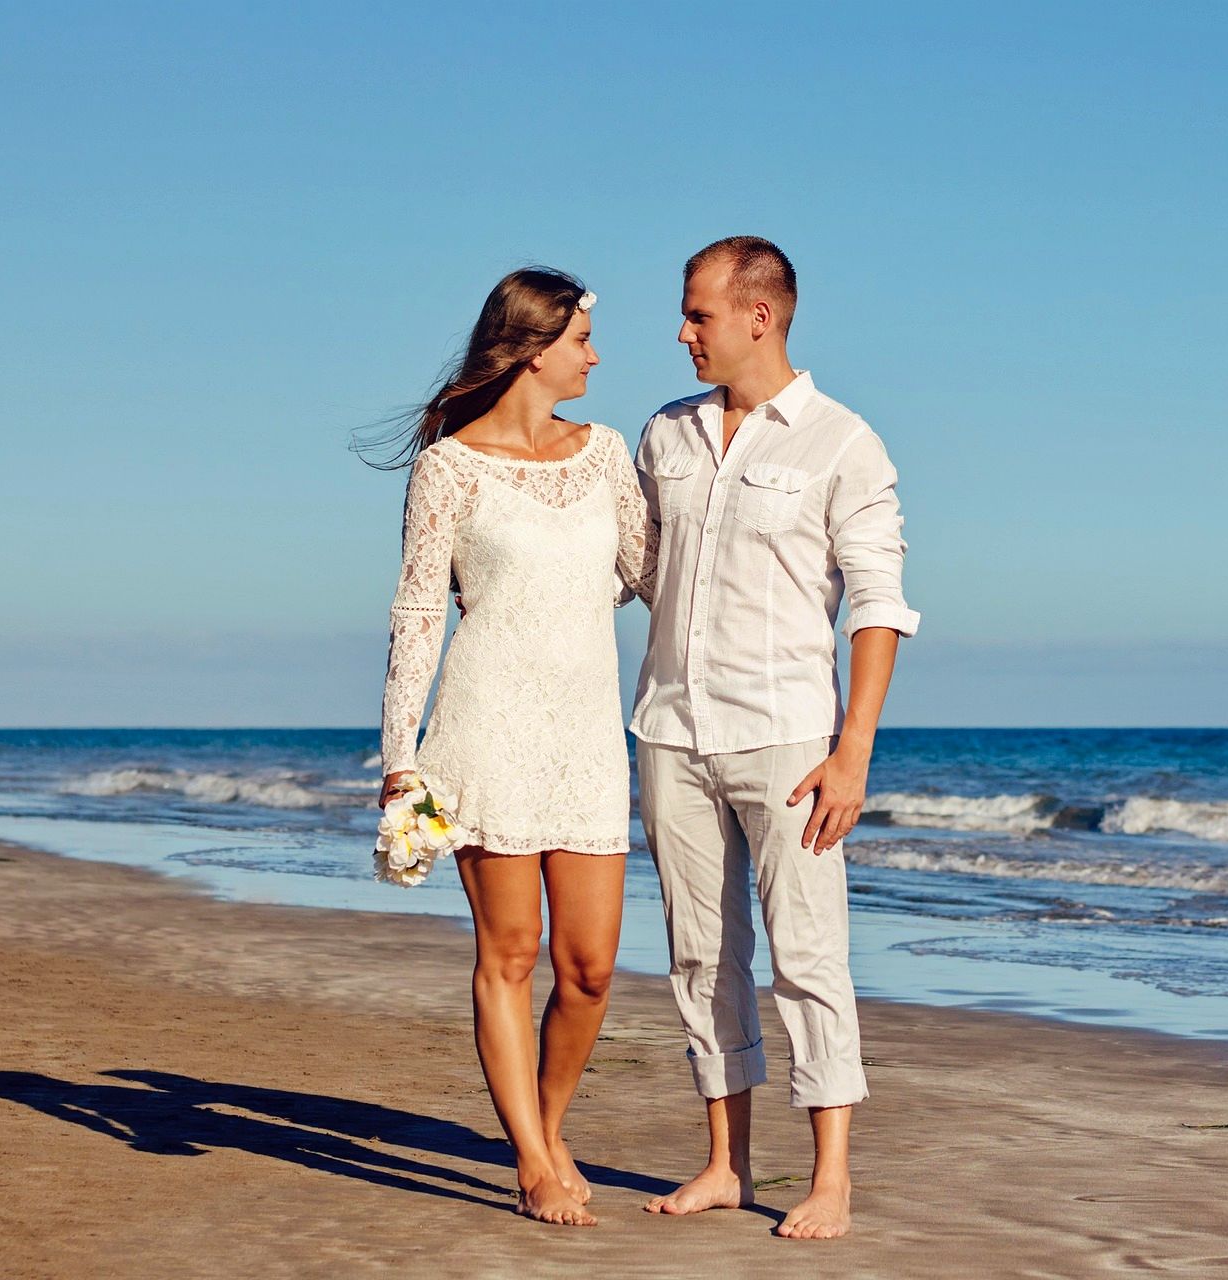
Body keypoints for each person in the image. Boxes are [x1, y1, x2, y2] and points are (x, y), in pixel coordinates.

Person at [630, 236, 919, 1240]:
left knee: (807, 955)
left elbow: (878, 605)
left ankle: (830, 1174)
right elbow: (629, 567)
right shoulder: (663, 435)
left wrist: (856, 747)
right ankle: (725, 1161)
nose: (681, 331)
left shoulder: (844, 442)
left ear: (761, 315)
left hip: (792, 740)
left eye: (697, 313)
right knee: (699, 956)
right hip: (669, 729)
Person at [373, 267, 653, 1227]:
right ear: (533, 349)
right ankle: (534, 1158)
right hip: (483, 728)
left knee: (591, 968)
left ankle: (547, 1121)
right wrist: (398, 760)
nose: (596, 355)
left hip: (584, 735)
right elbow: (417, 612)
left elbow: (645, 575)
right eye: (582, 338)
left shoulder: (606, 452)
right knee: (512, 951)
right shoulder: (448, 467)